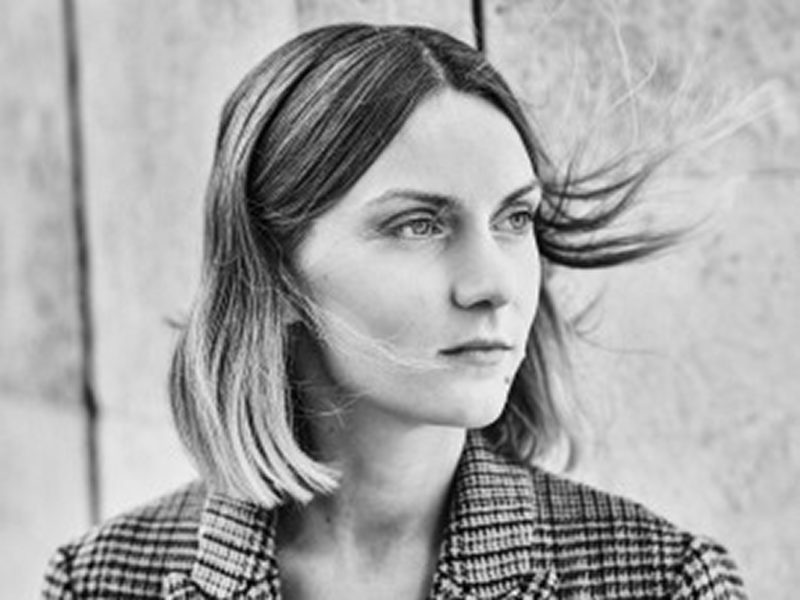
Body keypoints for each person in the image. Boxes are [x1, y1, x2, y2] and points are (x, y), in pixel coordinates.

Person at [42, 24, 746, 599]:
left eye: (515, 219)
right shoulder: (100, 582)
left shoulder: (664, 581)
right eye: (418, 225)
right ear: (275, 271)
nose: (494, 285)